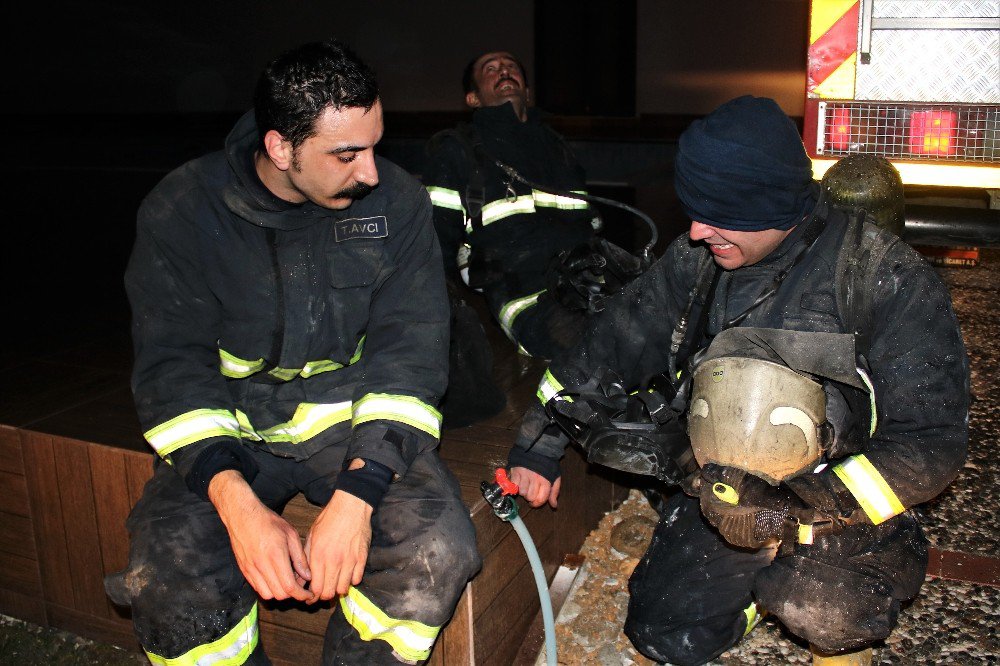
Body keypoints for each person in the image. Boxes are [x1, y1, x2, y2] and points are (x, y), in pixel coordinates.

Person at [506, 96, 969, 665]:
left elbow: (932, 443)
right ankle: (756, 593)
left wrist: (804, 503)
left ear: (772, 205)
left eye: (719, 214)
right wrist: (538, 448)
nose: (697, 230)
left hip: (835, 497)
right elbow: (606, 351)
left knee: (825, 606)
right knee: (666, 636)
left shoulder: (883, 277)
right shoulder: (696, 261)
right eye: (693, 210)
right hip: (724, 488)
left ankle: (835, 613)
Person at [104, 39, 480, 665]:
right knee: (167, 575)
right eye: (345, 153)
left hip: (351, 420)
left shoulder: (398, 204)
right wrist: (235, 502)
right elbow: (171, 370)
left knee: (436, 552)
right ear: (280, 148)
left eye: (374, 145)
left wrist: (359, 495)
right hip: (229, 427)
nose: (370, 173)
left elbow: (410, 353)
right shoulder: (183, 209)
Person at [422, 50, 638, 362]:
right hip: (527, 298)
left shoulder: (558, 150)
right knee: (598, 347)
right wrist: (447, 326)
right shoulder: (457, 151)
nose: (504, 72)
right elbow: (434, 246)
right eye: (491, 69)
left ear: (528, 92)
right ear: (473, 99)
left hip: (590, 283)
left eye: (511, 68)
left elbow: (584, 228)